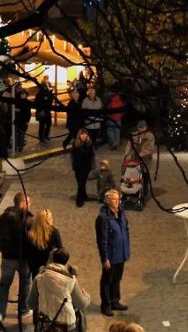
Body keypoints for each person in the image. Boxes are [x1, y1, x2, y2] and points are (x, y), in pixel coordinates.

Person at [0, 193, 34, 321]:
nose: (30, 205)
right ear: (22, 204)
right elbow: (32, 239)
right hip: (23, 259)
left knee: (4, 285)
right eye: (28, 202)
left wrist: (2, 248)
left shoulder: (1, 218)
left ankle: (1, 312)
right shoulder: (27, 219)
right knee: (25, 284)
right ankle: (23, 310)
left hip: (7, 258)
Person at [29, 248, 90, 332]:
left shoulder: (39, 278)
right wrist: (86, 295)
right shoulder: (71, 281)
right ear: (66, 262)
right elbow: (82, 304)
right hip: (66, 325)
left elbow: (31, 304)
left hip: (46, 324)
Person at [95, 189, 130, 317]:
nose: (117, 202)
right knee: (107, 280)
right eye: (114, 199)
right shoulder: (103, 218)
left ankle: (115, 300)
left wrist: (126, 248)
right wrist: (105, 258)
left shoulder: (121, 213)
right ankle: (106, 304)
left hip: (121, 253)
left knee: (117, 278)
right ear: (107, 201)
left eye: (118, 199)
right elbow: (102, 240)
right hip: (110, 255)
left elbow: (126, 230)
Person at [26, 209, 63, 278]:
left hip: (36, 267)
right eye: (51, 218)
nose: (52, 219)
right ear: (47, 221)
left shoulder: (31, 234)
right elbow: (60, 249)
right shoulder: (54, 232)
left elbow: (28, 252)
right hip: (50, 267)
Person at [124, 121, 156, 190]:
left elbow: (150, 148)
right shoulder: (135, 135)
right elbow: (129, 145)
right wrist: (127, 154)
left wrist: (143, 153)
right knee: (134, 172)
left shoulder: (150, 136)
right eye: (139, 127)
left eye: (143, 127)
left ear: (146, 128)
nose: (141, 129)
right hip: (135, 157)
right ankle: (135, 188)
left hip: (145, 158)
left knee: (144, 173)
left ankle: (145, 188)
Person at [71, 129, 95, 207]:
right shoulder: (75, 144)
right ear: (79, 135)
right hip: (77, 167)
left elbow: (92, 156)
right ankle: (84, 196)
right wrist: (74, 166)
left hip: (86, 167)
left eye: (85, 134)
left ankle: (79, 200)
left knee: (81, 184)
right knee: (80, 183)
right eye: (82, 134)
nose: (84, 136)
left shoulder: (89, 144)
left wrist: (92, 167)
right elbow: (73, 156)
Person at [35, 76, 54, 143]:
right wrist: (43, 99)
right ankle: (41, 137)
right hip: (42, 111)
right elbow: (37, 102)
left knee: (49, 124)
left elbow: (50, 98)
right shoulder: (39, 93)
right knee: (42, 125)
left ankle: (46, 136)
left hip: (47, 110)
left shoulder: (49, 87)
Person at [15, 85, 32, 153]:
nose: (22, 95)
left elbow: (28, 113)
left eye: (24, 94)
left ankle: (20, 146)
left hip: (23, 121)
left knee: (21, 135)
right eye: (22, 94)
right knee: (17, 134)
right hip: (18, 120)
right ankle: (17, 146)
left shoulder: (27, 102)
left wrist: (27, 121)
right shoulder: (18, 101)